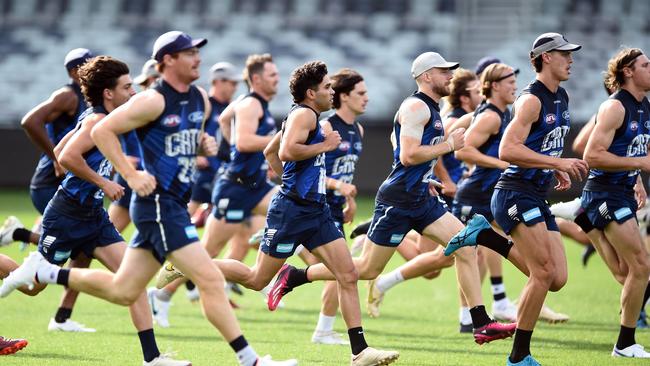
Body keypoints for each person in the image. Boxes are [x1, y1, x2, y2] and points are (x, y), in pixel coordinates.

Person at [0, 31, 297, 366]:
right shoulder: (143, 103)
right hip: (130, 207)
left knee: (127, 289)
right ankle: (251, 361)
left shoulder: (198, 98)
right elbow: (84, 142)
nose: (197, 58)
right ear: (168, 60)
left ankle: (150, 356)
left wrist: (199, 145)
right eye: (189, 53)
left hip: (131, 209)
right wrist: (126, 175)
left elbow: (174, 140)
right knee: (209, 279)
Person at [268, 52, 518, 346]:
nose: (449, 75)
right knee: (365, 270)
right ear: (426, 76)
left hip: (420, 197)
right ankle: (296, 276)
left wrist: (426, 177)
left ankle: (480, 322)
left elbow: (399, 146)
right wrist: (449, 145)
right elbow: (408, 154)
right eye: (443, 71)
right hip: (398, 201)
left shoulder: (431, 109)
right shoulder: (415, 106)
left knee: (465, 247)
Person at [2, 55, 191, 365]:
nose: (133, 93)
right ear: (108, 93)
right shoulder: (95, 120)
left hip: (94, 217)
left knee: (133, 281)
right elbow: (66, 158)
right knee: (33, 288)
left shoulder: (103, 119)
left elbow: (63, 150)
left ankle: (152, 358)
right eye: (127, 87)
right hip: (66, 214)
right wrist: (103, 181)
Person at [489, 33, 587, 365]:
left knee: (557, 279)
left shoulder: (562, 96)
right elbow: (507, 149)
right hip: (515, 193)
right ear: (546, 57)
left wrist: (551, 168)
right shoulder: (531, 99)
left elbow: (541, 147)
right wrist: (557, 163)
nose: (571, 59)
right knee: (543, 272)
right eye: (564, 54)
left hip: (534, 193)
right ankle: (519, 356)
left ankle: (487, 237)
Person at [149, 61, 242, 325]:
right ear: (218, 81)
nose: (234, 87)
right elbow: (183, 136)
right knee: (202, 246)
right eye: (231, 82)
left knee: (246, 233)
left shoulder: (228, 108)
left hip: (231, 181)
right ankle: (166, 291)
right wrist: (197, 154)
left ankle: (214, 284)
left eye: (237, 83)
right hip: (205, 180)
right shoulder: (201, 102)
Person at [19, 47, 96, 332]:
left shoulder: (91, 100)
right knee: (76, 250)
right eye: (87, 65)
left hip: (74, 187)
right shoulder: (67, 95)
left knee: (84, 251)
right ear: (75, 72)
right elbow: (30, 121)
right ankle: (18, 264)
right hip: (51, 184)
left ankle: (62, 317)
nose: (93, 69)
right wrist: (56, 156)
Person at [581, 47, 650, 358]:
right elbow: (591, 155)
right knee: (642, 266)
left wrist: (636, 180)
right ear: (628, 72)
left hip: (621, 191)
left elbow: (628, 150)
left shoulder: (644, 105)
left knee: (627, 272)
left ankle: (586, 223)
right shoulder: (614, 107)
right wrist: (641, 164)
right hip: (605, 193)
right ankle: (624, 344)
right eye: (646, 65)